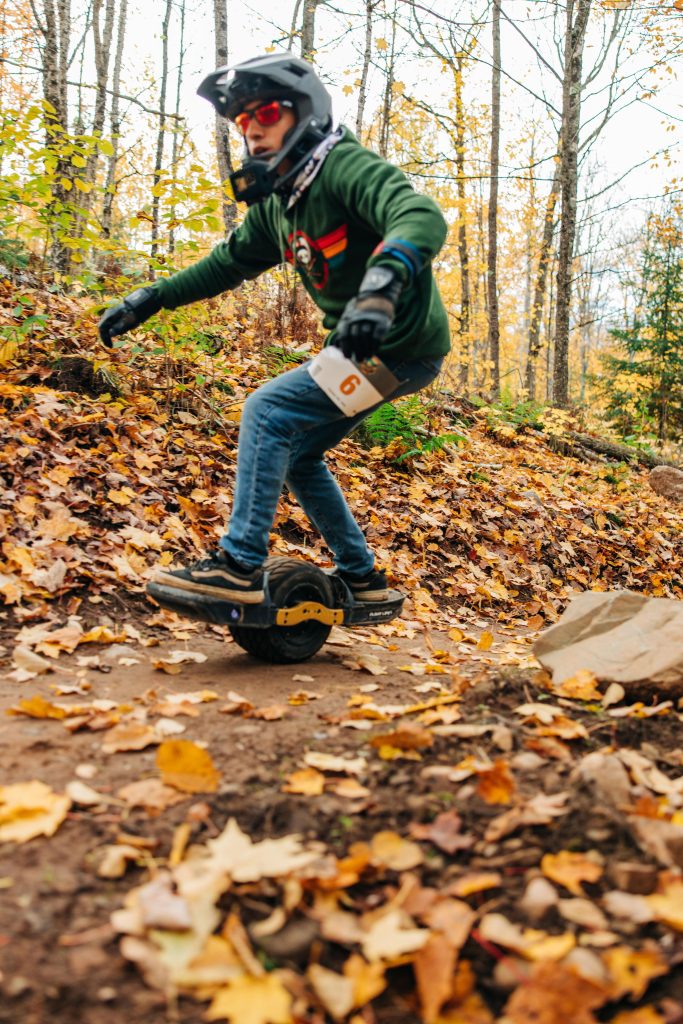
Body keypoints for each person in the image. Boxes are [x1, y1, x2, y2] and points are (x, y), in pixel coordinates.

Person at [99, 52, 450, 607]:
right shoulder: (278, 206)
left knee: (267, 411)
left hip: (396, 349)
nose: (253, 131)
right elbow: (225, 264)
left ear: (303, 113)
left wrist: (380, 287)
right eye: (243, 122)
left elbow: (419, 215)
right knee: (299, 453)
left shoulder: (344, 168)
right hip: (365, 351)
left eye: (264, 114)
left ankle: (238, 565)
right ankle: (362, 577)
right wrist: (152, 299)